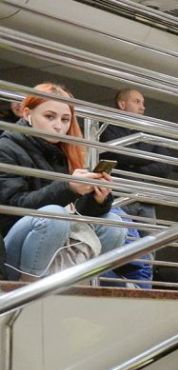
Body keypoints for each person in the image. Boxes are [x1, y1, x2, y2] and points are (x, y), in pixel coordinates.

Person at [0, 83, 126, 278]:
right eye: (49, 116)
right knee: (54, 216)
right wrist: (67, 188)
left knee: (114, 225)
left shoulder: (65, 150)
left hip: (54, 241)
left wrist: (96, 199)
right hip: (13, 243)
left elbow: (77, 212)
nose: (59, 125)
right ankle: (28, 290)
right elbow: (12, 207)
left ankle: (75, 282)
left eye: (65, 119)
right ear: (27, 113)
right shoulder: (6, 147)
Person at [99, 87, 177, 224]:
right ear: (122, 104)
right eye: (137, 102)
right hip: (118, 195)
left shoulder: (148, 133)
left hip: (145, 198)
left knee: (151, 242)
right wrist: (150, 158)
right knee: (123, 239)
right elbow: (120, 154)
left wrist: (137, 170)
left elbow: (166, 165)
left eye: (143, 103)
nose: (142, 107)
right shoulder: (106, 127)